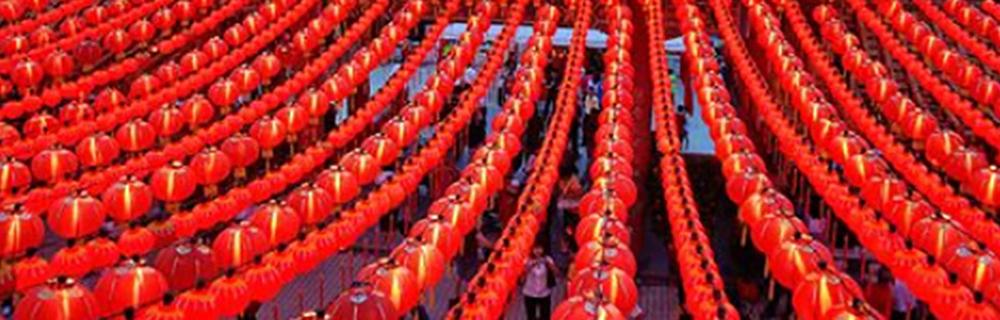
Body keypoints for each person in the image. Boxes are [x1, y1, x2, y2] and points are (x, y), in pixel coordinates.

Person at [522, 244, 559, 320]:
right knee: (531, 316)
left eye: (540, 248)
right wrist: (530, 266)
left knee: (545, 316)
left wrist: (551, 266)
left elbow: (557, 273)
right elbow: (522, 277)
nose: (538, 251)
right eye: (535, 249)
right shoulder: (527, 260)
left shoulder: (547, 259)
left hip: (544, 293)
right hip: (530, 293)